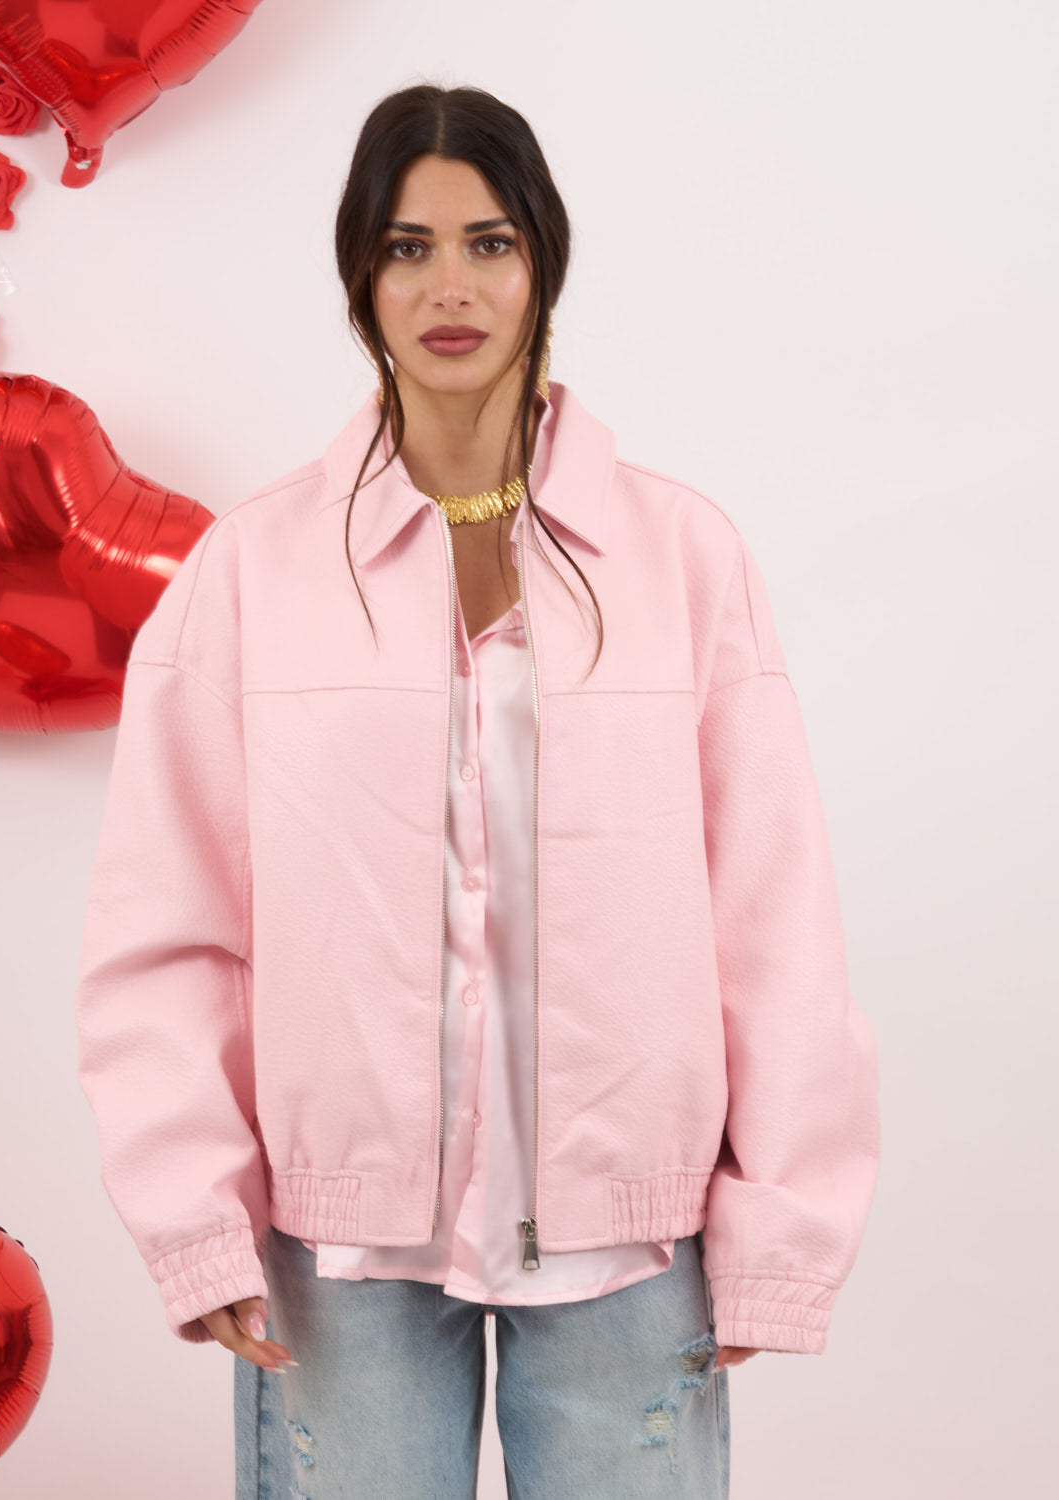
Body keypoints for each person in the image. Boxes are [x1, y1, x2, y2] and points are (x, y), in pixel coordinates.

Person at [75, 83, 880, 1498]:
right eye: (407, 247)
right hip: (340, 1255)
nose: (449, 286)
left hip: (632, 1243)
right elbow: (167, 925)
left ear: (542, 262)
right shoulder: (252, 573)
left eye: (488, 242)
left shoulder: (683, 560)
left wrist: (783, 1225)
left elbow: (774, 917)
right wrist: (195, 1216)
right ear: (360, 277)